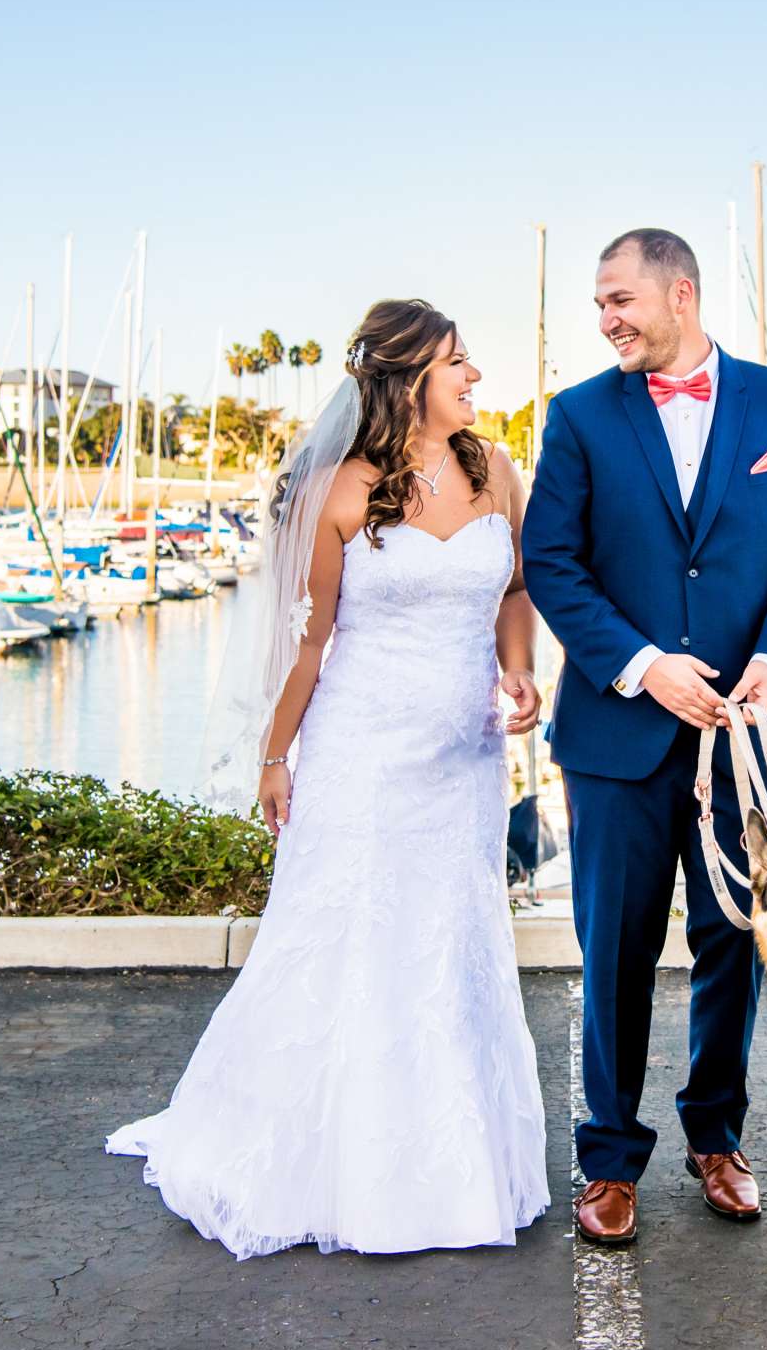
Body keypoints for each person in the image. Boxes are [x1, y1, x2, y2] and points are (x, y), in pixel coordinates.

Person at [107, 299, 551, 1258]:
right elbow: (310, 642)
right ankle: (334, 1166)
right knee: (352, 942)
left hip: (462, 762)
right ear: (406, 380)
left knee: (448, 943)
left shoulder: (497, 472)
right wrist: (277, 757)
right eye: (457, 363)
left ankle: (452, 1165)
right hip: (359, 753)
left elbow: (514, 591)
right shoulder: (342, 491)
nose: (475, 378)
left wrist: (521, 670)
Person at [522, 228, 767, 1245]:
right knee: (611, 951)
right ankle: (608, 1160)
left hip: (749, 738)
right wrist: (642, 666)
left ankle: (718, 1138)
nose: (607, 318)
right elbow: (553, 563)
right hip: (615, 739)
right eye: (599, 304)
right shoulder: (575, 419)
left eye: (621, 298)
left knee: (735, 947)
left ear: (682, 292)